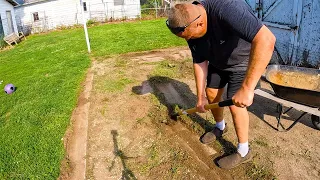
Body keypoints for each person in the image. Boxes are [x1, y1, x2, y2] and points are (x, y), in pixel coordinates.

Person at [166, 0, 276, 169]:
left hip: (243, 61)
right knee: (211, 94)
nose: (189, 40)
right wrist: (200, 97)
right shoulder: (187, 25)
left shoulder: (227, 8)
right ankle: (220, 126)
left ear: (200, 22)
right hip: (218, 61)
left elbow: (266, 39)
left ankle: (244, 150)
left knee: (235, 104)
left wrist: (247, 89)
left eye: (189, 36)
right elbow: (200, 61)